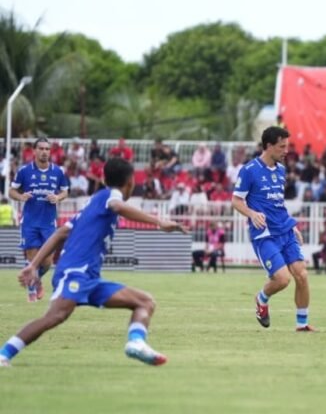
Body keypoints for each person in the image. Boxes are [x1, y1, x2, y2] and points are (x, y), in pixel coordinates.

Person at [0, 158, 187, 368]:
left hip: (89, 277)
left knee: (145, 301)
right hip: (76, 273)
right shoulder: (111, 196)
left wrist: (34, 265)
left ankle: (136, 343)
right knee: (55, 316)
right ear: (130, 182)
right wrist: (159, 222)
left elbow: (62, 232)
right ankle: (4, 353)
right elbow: (117, 205)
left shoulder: (95, 201)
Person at [231, 126, 315, 332]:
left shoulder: (280, 170)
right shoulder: (249, 170)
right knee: (282, 279)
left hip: (284, 230)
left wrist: (291, 226)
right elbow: (236, 200)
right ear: (268, 146)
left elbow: (277, 203)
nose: (286, 150)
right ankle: (261, 298)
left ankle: (302, 324)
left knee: (302, 275)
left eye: (287, 146)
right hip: (265, 234)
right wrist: (251, 213)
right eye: (281, 146)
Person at [9, 138, 69, 302]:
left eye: (47, 149)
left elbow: (65, 192)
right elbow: (11, 191)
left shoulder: (58, 172)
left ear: (50, 152)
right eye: (41, 148)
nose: (44, 152)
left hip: (48, 223)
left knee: (48, 262)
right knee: (32, 259)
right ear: (34, 151)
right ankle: (31, 293)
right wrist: (21, 196)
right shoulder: (24, 171)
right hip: (29, 222)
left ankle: (36, 279)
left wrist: (57, 197)